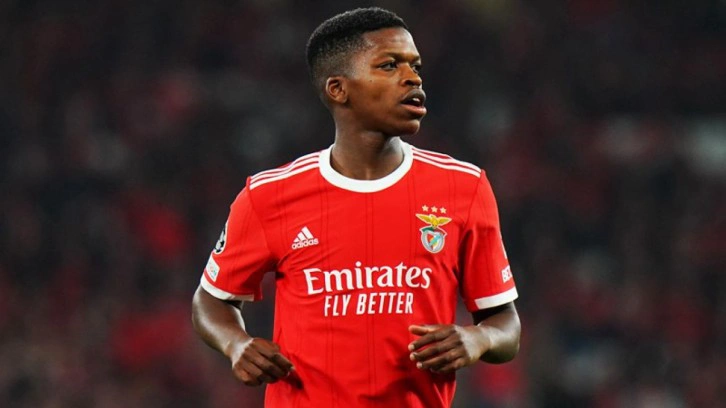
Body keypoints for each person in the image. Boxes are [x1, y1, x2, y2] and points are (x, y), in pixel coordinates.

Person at [191, 7, 521, 408]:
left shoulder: (464, 187)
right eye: (389, 65)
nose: (412, 77)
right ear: (338, 89)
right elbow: (210, 300)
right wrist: (236, 344)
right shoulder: (268, 196)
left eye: (415, 66)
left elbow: (505, 323)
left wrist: (479, 338)